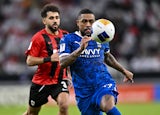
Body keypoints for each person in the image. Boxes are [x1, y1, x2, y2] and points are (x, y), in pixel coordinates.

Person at [59, 9, 134, 115]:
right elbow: (62, 63)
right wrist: (80, 50)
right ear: (78, 23)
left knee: (107, 105)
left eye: (91, 21)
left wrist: (124, 70)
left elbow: (107, 56)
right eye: (84, 21)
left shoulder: (100, 37)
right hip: (83, 91)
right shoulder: (68, 39)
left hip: (102, 82)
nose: (88, 24)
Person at [23, 4, 70, 115]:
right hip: (41, 81)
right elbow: (29, 61)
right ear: (44, 21)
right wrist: (49, 59)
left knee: (64, 106)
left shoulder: (66, 36)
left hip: (60, 80)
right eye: (51, 18)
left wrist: (69, 74)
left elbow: (69, 57)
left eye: (57, 18)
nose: (55, 21)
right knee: (31, 113)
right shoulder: (38, 38)